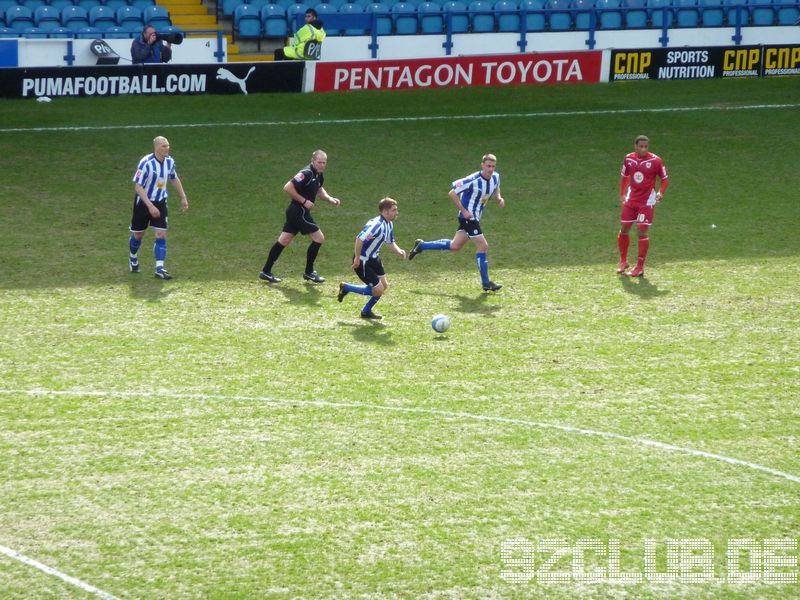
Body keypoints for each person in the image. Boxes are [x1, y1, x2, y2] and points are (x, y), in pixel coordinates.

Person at [408, 153, 505, 292]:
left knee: (455, 246)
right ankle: (486, 283)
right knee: (483, 246)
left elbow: (496, 187)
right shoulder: (472, 179)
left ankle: (422, 245)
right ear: (482, 165)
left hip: (476, 217)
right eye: (488, 166)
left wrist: (499, 198)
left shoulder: (495, 177)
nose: (490, 169)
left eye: (493, 166)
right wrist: (464, 211)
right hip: (468, 218)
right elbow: (452, 193)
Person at [259, 150, 340, 284]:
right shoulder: (306, 173)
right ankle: (309, 272)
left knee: (283, 240)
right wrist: (304, 201)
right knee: (319, 238)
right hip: (298, 212)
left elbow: (319, 190)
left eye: (324, 163)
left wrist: (330, 199)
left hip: (298, 212)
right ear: (312, 161)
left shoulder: (318, 175)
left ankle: (266, 271)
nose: (321, 165)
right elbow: (287, 187)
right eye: (319, 162)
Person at [128, 136, 189, 279]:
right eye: (163, 146)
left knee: (161, 234)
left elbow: (173, 178)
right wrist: (150, 206)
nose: (167, 148)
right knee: (138, 235)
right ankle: (133, 257)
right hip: (143, 203)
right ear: (156, 148)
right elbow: (138, 187)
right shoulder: (145, 163)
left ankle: (159, 268)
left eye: (167, 145)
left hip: (161, 202)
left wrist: (183, 197)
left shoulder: (170, 161)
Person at [337, 197, 406, 320]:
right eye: (394, 210)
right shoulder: (376, 225)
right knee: (378, 290)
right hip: (363, 261)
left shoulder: (389, 224)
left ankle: (365, 312)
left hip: (374, 259)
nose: (397, 212)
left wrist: (398, 251)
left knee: (383, 286)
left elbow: (390, 242)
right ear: (385, 212)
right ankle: (347, 288)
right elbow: (359, 239)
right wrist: (357, 258)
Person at [616, 135, 669, 278]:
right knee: (624, 228)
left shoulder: (656, 161)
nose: (643, 149)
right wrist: (622, 193)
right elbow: (624, 176)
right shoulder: (629, 159)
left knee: (641, 231)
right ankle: (623, 261)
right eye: (641, 146)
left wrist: (660, 193)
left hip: (646, 202)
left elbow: (664, 179)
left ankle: (640, 267)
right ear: (636, 146)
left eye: (646, 146)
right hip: (631, 199)